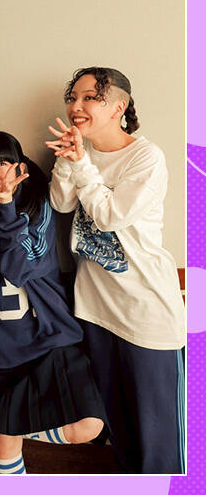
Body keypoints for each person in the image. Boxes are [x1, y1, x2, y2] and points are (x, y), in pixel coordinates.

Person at [45, 67, 185, 474]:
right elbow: (60, 204)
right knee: (120, 430)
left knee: (160, 443)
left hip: (146, 311)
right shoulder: (81, 152)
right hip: (96, 309)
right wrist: (69, 161)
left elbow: (109, 216)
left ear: (118, 107)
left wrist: (81, 164)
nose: (77, 106)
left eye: (90, 97)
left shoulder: (146, 157)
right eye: (73, 97)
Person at [0, 131, 106, 474]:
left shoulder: (37, 203)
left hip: (48, 334)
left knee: (88, 426)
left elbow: (21, 268)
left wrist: (7, 208)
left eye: (2, 163)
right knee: (7, 443)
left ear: (20, 167)